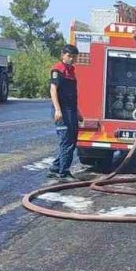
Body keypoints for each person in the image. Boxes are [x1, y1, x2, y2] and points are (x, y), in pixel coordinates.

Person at [47, 44, 81, 179]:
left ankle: (55, 167)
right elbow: (53, 89)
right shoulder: (58, 69)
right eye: (69, 56)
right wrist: (57, 110)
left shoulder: (71, 71)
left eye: (74, 57)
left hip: (71, 111)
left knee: (72, 140)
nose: (72, 59)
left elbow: (71, 94)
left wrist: (77, 111)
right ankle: (64, 173)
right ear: (63, 55)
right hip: (62, 111)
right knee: (66, 141)